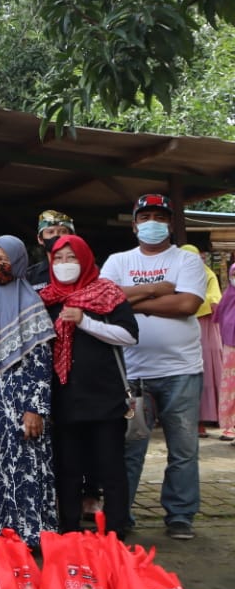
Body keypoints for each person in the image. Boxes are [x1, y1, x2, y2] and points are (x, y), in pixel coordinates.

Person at [99, 193, 207, 539]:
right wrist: (160, 289)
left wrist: (135, 300)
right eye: (145, 217)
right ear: (134, 225)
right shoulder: (117, 260)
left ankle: (180, 515)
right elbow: (106, 300)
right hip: (131, 371)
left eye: (160, 218)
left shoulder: (187, 261)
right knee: (128, 448)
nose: (152, 224)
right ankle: (121, 516)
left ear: (171, 224)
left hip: (181, 369)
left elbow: (188, 303)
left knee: (183, 448)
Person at [38, 235, 138, 537]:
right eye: (59, 259)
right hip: (65, 399)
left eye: (72, 258)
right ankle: (68, 528)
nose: (65, 264)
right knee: (68, 469)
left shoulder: (106, 293)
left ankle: (115, 529)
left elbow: (129, 336)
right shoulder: (46, 299)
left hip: (104, 398)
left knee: (110, 468)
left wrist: (85, 322)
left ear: (85, 259)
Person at [0, 235, 57, 546]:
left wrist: (36, 409)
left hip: (22, 405)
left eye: (4, 258)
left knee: (25, 468)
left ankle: (29, 536)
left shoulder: (31, 303)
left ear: (17, 262)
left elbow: (43, 365)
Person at [182, 244, 224, 436]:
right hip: (182, 327)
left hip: (206, 327)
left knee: (208, 370)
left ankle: (214, 417)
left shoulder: (208, 275)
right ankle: (193, 419)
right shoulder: (174, 276)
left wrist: (187, 304)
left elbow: (216, 300)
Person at [212, 262, 235, 442]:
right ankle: (230, 427)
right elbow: (221, 319)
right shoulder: (228, 298)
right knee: (231, 387)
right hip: (231, 349)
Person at [26, 210, 76, 290]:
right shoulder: (30, 276)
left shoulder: (86, 271)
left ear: (72, 236)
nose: (56, 235)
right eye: (50, 232)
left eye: (62, 231)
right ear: (40, 239)